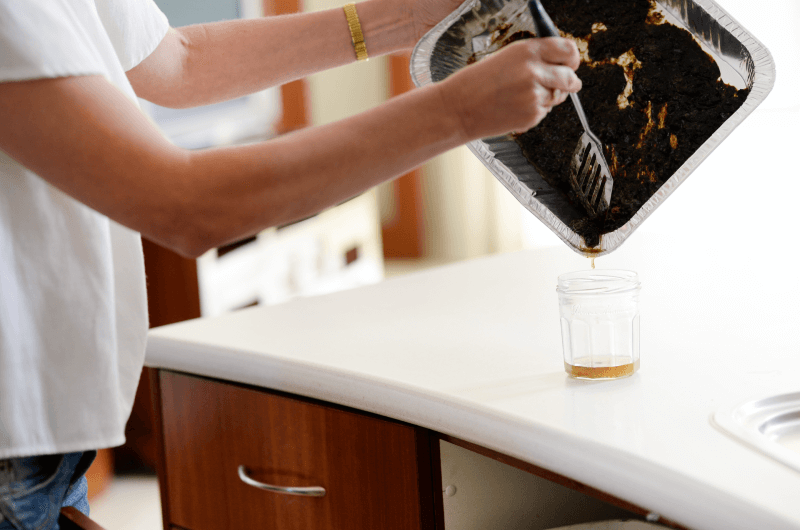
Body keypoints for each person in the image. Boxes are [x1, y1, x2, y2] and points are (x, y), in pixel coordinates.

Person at [0, 0, 581, 527]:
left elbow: (175, 60)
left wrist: (404, 18)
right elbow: (185, 206)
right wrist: (456, 112)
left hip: (49, 446)